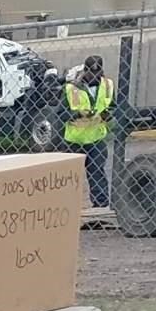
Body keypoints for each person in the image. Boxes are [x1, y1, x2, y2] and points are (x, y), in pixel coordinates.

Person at [63, 54, 113, 207]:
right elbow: (60, 113)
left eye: (97, 73)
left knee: (97, 171)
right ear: (85, 71)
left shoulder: (108, 85)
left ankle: (101, 204)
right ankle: (68, 205)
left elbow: (114, 106)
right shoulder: (71, 88)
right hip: (74, 140)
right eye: (91, 72)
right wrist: (78, 114)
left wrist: (107, 114)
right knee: (71, 176)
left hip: (96, 137)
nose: (94, 76)